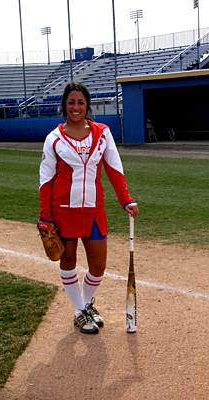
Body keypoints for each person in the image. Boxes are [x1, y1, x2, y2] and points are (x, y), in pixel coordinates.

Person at [38, 81, 139, 334]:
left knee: (98, 266)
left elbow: (114, 169)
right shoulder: (54, 138)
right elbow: (46, 181)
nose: (76, 107)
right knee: (69, 260)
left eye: (80, 102)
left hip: (94, 210)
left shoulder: (102, 133)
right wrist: (45, 217)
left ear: (87, 105)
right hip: (63, 210)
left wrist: (126, 199)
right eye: (71, 102)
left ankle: (84, 306)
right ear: (65, 105)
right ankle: (81, 310)